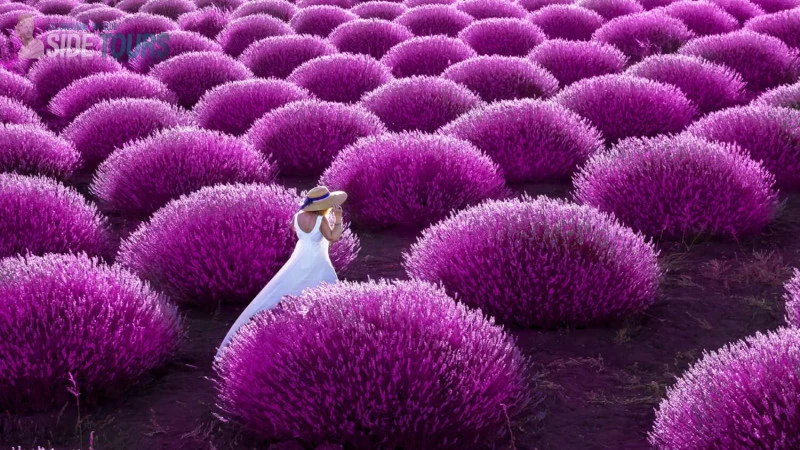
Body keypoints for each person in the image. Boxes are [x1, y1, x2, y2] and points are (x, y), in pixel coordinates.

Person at [215, 186, 347, 359]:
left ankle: (300, 319)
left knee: (290, 284)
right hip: (316, 257)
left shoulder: (297, 216)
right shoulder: (321, 220)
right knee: (327, 281)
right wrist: (337, 218)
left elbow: (293, 229)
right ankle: (327, 324)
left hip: (300, 255)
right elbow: (333, 237)